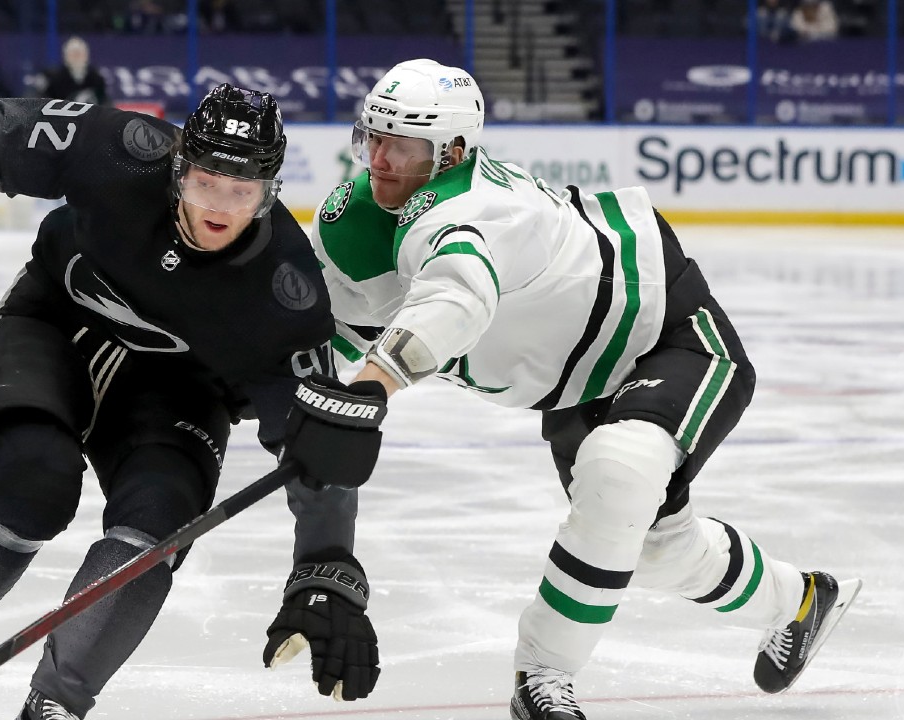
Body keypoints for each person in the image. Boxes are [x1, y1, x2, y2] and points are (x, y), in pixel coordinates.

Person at [299, 59, 862, 720]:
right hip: (576, 380)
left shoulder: (474, 210)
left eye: (405, 146)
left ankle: (543, 674)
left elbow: (454, 299)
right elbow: (323, 323)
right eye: (375, 137)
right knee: (650, 547)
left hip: (665, 329)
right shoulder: (357, 214)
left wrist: (372, 385)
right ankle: (802, 600)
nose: (383, 160)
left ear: (453, 151)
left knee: (618, 474)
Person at [0, 84, 385, 719]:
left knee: (156, 531)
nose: (220, 208)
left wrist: (327, 566)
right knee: (34, 481)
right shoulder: (119, 150)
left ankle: (57, 703)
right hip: (55, 327)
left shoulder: (288, 295)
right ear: (178, 166)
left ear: (271, 192)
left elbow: (317, 442)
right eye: (207, 182)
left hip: (178, 391)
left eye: (243, 192)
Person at [41, 36, 109, 106]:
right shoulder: (55, 80)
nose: (77, 58)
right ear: (65, 56)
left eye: (79, 54)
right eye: (73, 54)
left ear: (86, 55)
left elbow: (105, 103)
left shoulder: (97, 79)